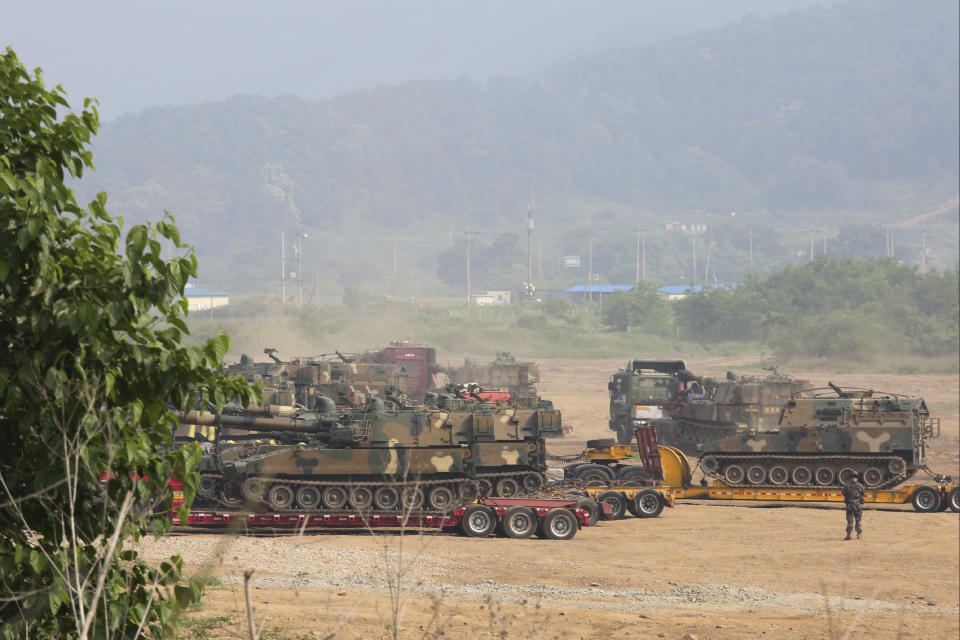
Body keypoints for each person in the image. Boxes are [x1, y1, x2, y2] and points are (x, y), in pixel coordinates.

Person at [841, 471, 865, 540]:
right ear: (857, 478)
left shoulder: (847, 486)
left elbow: (843, 493)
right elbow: (863, 493)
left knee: (850, 521)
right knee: (858, 520)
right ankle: (859, 534)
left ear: (851, 478)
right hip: (858, 505)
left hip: (850, 505)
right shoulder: (860, 486)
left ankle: (849, 534)